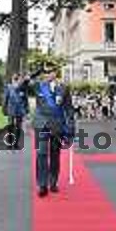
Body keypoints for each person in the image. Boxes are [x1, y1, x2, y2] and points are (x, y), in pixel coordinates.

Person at [32, 67, 74, 197]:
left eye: (51, 71)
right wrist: (37, 70)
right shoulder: (38, 86)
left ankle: (53, 182)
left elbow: (69, 110)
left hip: (57, 125)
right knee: (41, 154)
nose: (48, 74)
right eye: (46, 72)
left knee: (55, 155)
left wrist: (70, 129)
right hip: (42, 125)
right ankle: (42, 184)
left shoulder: (64, 88)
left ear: (56, 73)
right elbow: (24, 83)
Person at [3, 74, 27, 148]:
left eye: (17, 79)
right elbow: (6, 98)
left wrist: (26, 109)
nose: (16, 81)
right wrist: (4, 108)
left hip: (20, 110)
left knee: (18, 126)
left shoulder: (22, 88)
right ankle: (10, 143)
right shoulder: (9, 87)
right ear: (12, 80)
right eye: (15, 79)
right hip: (11, 109)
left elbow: (25, 99)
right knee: (10, 126)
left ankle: (16, 143)